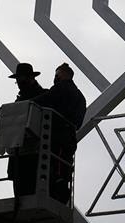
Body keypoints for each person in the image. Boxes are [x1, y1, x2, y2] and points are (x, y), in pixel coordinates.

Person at [33, 63, 86, 202]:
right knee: (65, 168)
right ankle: (61, 195)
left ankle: (55, 192)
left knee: (55, 167)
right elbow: (79, 122)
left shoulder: (61, 88)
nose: (55, 78)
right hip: (70, 136)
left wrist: (28, 103)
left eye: (57, 75)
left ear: (64, 75)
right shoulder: (80, 96)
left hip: (57, 135)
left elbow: (45, 99)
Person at [7, 63, 45, 196]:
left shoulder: (43, 96)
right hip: (19, 154)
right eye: (18, 80)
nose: (19, 83)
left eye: (21, 79)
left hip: (34, 154)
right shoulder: (20, 100)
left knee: (29, 190)